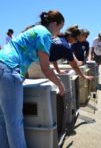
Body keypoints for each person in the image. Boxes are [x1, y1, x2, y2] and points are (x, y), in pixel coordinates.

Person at [0, 10, 65, 148]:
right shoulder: (45, 34)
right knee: (15, 122)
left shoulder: (35, 30)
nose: (58, 32)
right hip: (9, 69)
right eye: (59, 28)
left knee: (3, 120)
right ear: (54, 24)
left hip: (2, 64)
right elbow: (45, 68)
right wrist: (61, 85)